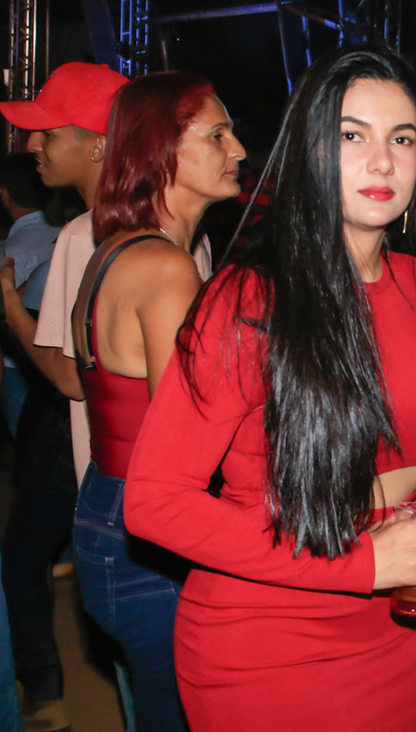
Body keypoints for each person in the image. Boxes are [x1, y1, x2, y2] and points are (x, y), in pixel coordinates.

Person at [122, 45, 416, 730]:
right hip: (265, 644)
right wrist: (360, 562)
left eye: (402, 139)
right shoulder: (247, 299)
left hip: (391, 635)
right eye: (352, 136)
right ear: (310, 151)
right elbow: (155, 502)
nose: (382, 162)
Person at [63, 71, 244, 729]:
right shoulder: (166, 269)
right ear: (161, 150)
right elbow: (197, 443)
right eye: (217, 135)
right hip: (150, 535)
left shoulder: (115, 251)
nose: (238, 149)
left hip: (109, 511)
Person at [0, 61, 127, 732]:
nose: (32, 144)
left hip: (93, 448)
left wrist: (7, 305)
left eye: (47, 132)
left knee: (23, 558)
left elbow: (71, 378)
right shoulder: (171, 219)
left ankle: (43, 696)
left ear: (99, 145)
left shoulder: (84, 235)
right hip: (136, 465)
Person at [0, 153, 59, 437]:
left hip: (19, 366)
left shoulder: (10, 251)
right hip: (59, 358)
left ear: (4, 193)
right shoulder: (67, 233)